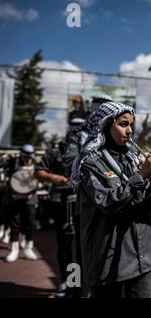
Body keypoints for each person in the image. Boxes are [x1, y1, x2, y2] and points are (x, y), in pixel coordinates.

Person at [70, 101, 151, 298]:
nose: (130, 130)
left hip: (144, 257)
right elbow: (109, 203)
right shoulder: (90, 163)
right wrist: (141, 176)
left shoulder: (134, 158)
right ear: (106, 125)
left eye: (131, 124)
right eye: (123, 124)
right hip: (108, 260)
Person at [34, 119, 86, 297]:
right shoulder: (56, 150)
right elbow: (39, 171)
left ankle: (78, 283)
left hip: (82, 203)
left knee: (81, 246)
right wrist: (57, 179)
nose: (78, 132)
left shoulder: (87, 147)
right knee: (66, 245)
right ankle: (68, 282)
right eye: (75, 127)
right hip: (62, 202)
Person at [4, 144, 39, 262]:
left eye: (30, 156)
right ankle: (14, 250)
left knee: (30, 223)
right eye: (26, 156)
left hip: (30, 197)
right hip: (14, 197)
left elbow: (41, 176)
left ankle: (28, 248)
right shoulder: (13, 161)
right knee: (14, 224)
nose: (28, 159)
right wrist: (5, 158)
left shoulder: (35, 163)